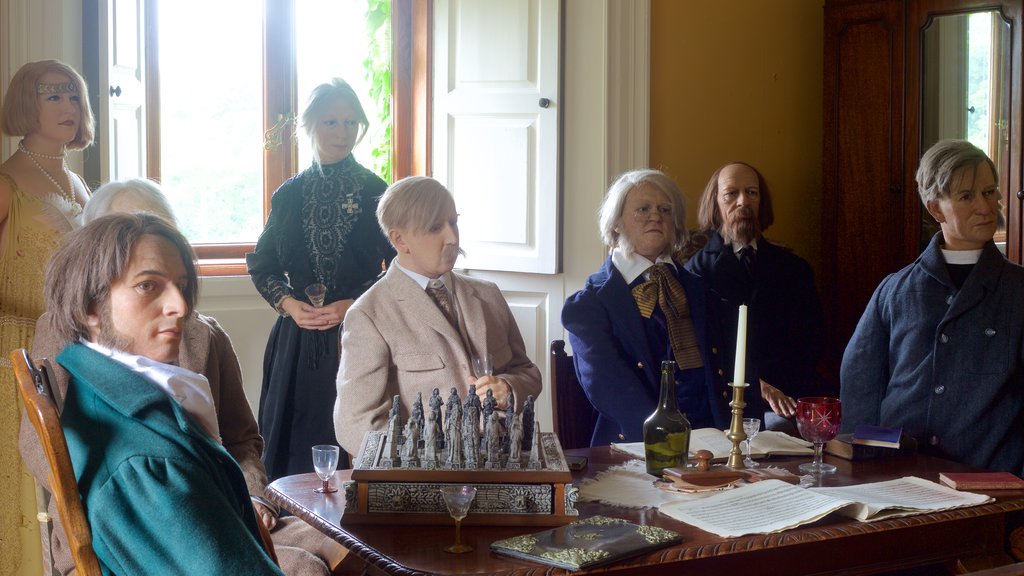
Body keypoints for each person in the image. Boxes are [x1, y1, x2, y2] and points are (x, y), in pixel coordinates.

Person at [20, 179, 337, 575]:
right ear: (89, 297)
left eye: (182, 286)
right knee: (309, 566)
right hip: (155, 519)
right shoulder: (142, 461)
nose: (179, 305)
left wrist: (252, 498)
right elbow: (51, 449)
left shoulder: (198, 340)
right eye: (147, 285)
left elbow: (241, 438)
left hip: (213, 508)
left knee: (348, 538)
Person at [841, 139, 1024, 475]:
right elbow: (860, 386)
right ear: (935, 208)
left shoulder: (1018, 290)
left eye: (989, 191)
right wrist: (871, 467)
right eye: (966, 196)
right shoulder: (895, 290)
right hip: (899, 476)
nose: (986, 206)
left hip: (989, 481)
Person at [247, 79, 395, 478]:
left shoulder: (376, 192)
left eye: (350, 122)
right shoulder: (288, 195)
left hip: (360, 336)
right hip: (296, 344)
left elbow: (399, 267)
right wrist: (290, 306)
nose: (342, 132)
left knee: (357, 444)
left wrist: (351, 305)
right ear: (308, 126)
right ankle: (293, 531)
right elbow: (262, 264)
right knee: (291, 453)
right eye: (331, 121)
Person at [334, 176, 542, 457]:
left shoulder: (489, 295)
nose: (453, 238)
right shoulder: (368, 315)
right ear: (399, 239)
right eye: (435, 228)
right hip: (423, 486)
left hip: (504, 466)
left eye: (453, 222)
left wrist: (509, 388)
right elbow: (355, 424)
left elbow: (527, 372)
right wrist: (428, 461)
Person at [0, 59, 94, 575]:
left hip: (73, 357)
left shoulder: (81, 184)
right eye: (52, 95)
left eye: (73, 95)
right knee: (24, 489)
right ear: (24, 105)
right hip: (18, 360)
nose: (67, 106)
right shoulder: (6, 183)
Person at [561, 169, 727, 446]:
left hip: (712, 445)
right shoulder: (588, 305)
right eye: (643, 209)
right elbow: (611, 387)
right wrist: (669, 442)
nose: (656, 216)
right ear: (616, 223)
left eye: (665, 209)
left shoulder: (701, 292)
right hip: (637, 448)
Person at [685, 162, 825, 431]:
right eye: (731, 194)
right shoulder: (696, 273)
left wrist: (789, 395)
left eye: (752, 193)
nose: (743, 202)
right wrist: (756, 384)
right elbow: (703, 352)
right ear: (715, 203)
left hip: (791, 396)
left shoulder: (795, 269)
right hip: (728, 401)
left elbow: (812, 342)